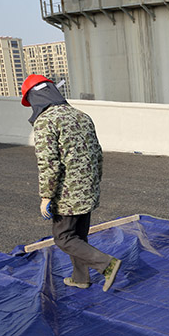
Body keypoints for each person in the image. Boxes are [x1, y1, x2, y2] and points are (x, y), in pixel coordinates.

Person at [21, 74, 121, 292]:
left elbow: (49, 163)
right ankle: (80, 278)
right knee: (79, 237)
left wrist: (46, 196)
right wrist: (95, 182)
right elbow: (97, 153)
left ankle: (107, 264)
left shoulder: (45, 121)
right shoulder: (82, 116)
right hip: (88, 188)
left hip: (67, 193)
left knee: (64, 238)